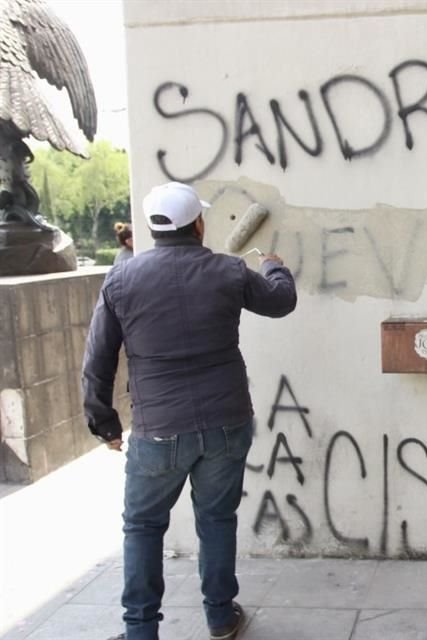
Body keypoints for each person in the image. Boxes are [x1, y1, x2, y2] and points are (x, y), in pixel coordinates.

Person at [83, 182, 298, 639]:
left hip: (158, 430)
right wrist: (276, 268)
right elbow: (280, 302)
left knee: (142, 527)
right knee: (217, 519)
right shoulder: (228, 271)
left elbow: (98, 359)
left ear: (153, 228)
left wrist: (104, 424)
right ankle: (221, 616)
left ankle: (141, 631)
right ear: (197, 225)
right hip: (226, 423)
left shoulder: (121, 279)